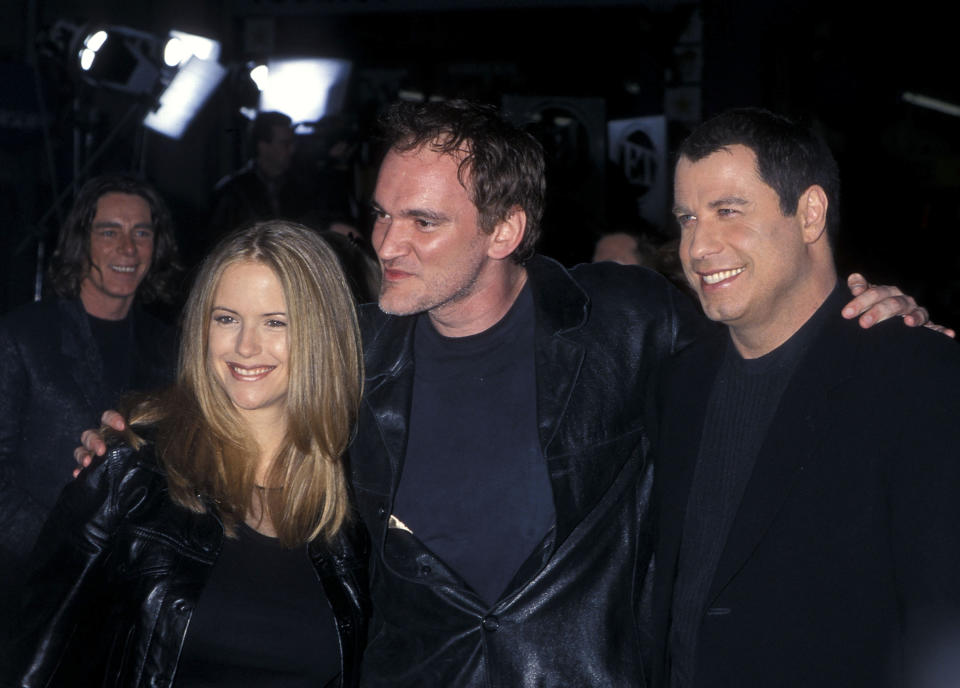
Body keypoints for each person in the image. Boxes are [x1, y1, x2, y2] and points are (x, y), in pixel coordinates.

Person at [79, 101, 933, 688]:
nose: (387, 244)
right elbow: (241, 399)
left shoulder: (623, 321)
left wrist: (870, 312)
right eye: (380, 216)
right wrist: (136, 434)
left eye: (422, 223)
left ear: (505, 230)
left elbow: (761, 329)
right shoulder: (357, 349)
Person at [651, 108, 960, 688]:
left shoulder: (918, 376)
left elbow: (943, 624)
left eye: (728, 212)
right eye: (688, 218)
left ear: (810, 213)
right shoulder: (678, 383)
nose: (697, 246)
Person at [3, 221, 369, 686]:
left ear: (323, 334)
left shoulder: (354, 502)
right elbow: (36, 657)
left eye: (276, 322)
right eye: (226, 318)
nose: (245, 346)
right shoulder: (132, 473)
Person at [0, 175, 180, 630]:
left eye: (142, 232)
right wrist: (61, 548)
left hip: (128, 597)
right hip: (26, 586)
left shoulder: (171, 349)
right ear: (81, 241)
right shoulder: (23, 335)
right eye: (109, 231)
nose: (128, 247)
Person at [209, 111, 316, 242]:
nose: (292, 150)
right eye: (285, 144)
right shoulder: (232, 192)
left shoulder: (300, 189)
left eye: (292, 143)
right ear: (263, 146)